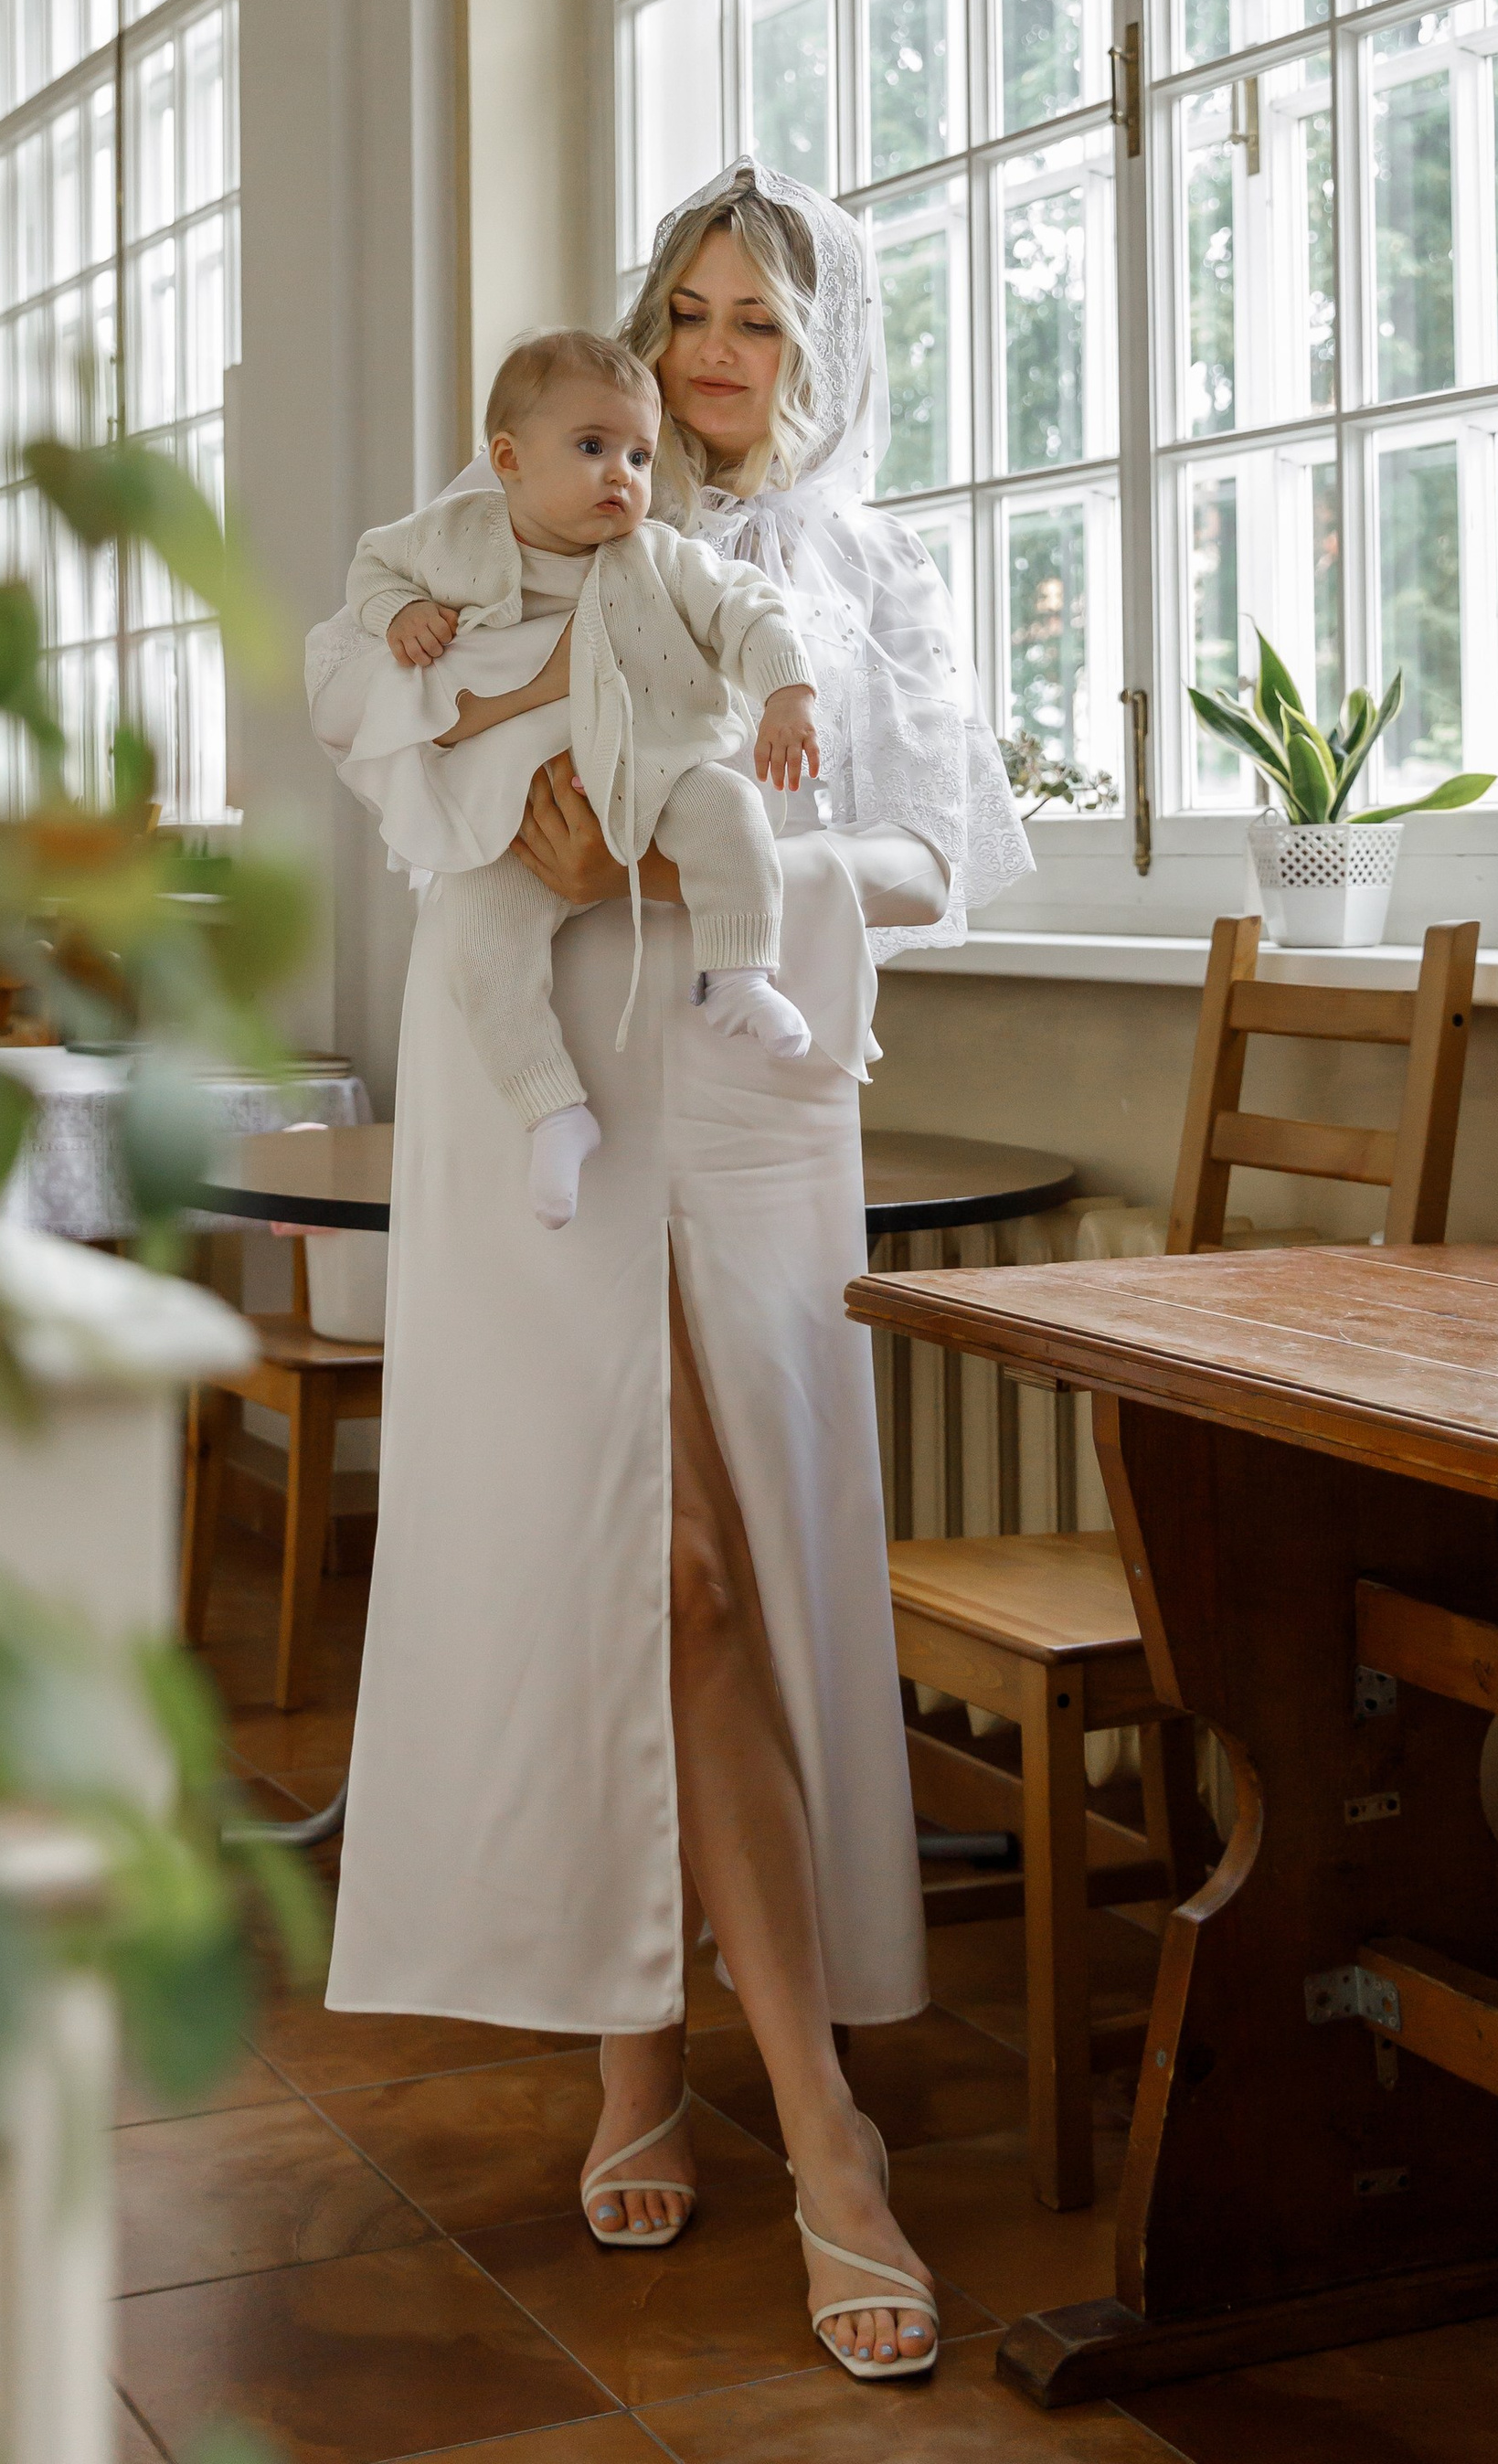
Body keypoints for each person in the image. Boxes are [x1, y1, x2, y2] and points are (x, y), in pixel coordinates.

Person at [306, 160, 1031, 2379]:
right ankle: (670, 2057)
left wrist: (728, 851)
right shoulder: (515, 488)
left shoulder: (859, 571)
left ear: (818, 349)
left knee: (722, 1568)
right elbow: (373, 710)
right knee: (614, 1567)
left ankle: (792, 2101)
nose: (713, 358)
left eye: (757, 322)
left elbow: (939, 858)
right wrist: (489, 805)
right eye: (687, 311)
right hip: (526, 1083)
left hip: (735, 1083)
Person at [345, 326, 821, 1227]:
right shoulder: (453, 539)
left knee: (728, 806)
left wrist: (789, 695)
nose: (622, 476)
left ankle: (740, 969)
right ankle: (551, 1110)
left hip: (649, 771)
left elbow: (749, 610)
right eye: (593, 448)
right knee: (475, 941)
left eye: (640, 455)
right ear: (508, 459)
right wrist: (398, 609)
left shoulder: (660, 558)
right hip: (521, 814)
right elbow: (372, 563)